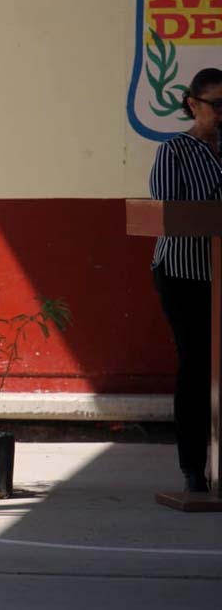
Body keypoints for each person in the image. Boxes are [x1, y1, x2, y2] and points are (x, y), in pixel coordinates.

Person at [150, 67, 222, 494]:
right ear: (193, 105)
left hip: (221, 274)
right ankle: (193, 467)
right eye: (218, 105)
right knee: (196, 364)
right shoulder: (173, 151)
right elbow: (169, 212)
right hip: (185, 273)